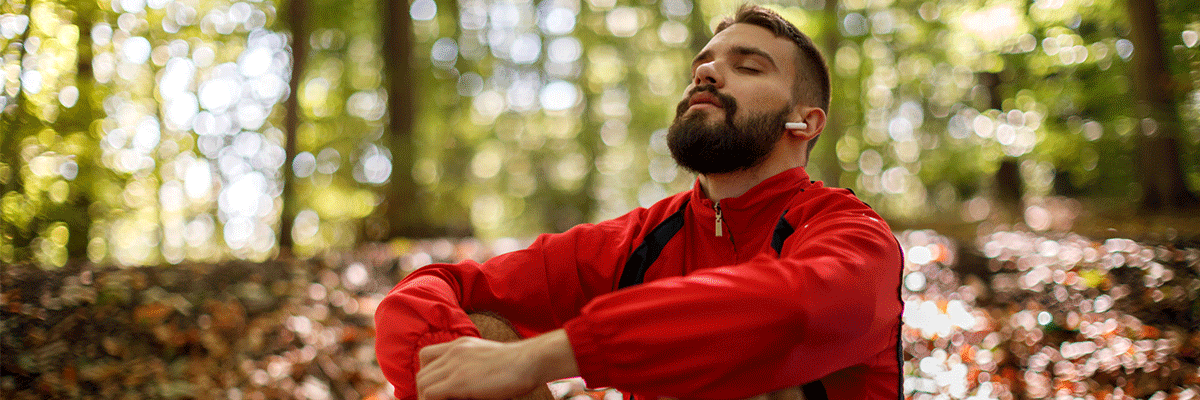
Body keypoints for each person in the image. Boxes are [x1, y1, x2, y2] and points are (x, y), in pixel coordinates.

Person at [374, 4, 904, 400]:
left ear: (804, 122)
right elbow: (432, 289)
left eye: (748, 67)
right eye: (704, 64)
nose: (707, 73)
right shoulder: (639, 239)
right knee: (475, 330)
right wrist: (467, 364)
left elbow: (795, 309)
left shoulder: (853, 234)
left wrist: (548, 355)